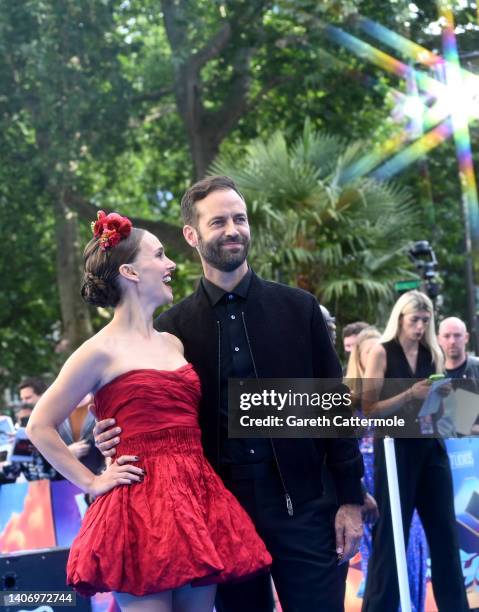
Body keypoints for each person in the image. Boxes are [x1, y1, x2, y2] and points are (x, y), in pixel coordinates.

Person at [94, 176, 364, 612]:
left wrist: (350, 498)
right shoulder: (170, 330)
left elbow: (335, 410)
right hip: (220, 516)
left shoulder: (299, 309)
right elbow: (141, 407)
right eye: (218, 221)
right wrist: (106, 436)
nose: (233, 229)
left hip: (306, 510)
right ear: (192, 234)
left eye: (239, 218)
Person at [26, 210, 271, 612]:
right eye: (159, 255)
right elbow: (40, 426)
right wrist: (90, 482)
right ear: (131, 271)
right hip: (139, 504)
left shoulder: (173, 344)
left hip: (196, 497)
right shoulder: (97, 350)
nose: (171, 263)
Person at [361, 291, 468, 612]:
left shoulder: (431, 353)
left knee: (446, 536)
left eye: (425, 320)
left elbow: (436, 413)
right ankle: (380, 607)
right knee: (390, 537)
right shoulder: (381, 351)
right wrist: (410, 393)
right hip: (394, 450)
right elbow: (369, 409)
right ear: (400, 318)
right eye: (414, 320)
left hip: (429, 446)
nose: (420, 326)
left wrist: (440, 397)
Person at [345, 327, 428, 608]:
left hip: (399, 476)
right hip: (365, 478)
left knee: (412, 543)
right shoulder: (349, 397)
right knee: (376, 552)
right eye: (370, 353)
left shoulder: (398, 391)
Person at [438, 316, 479, 381]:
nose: (452, 341)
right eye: (446, 336)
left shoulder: (477, 368)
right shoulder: (431, 373)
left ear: (466, 338)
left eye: (457, 335)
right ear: (439, 340)